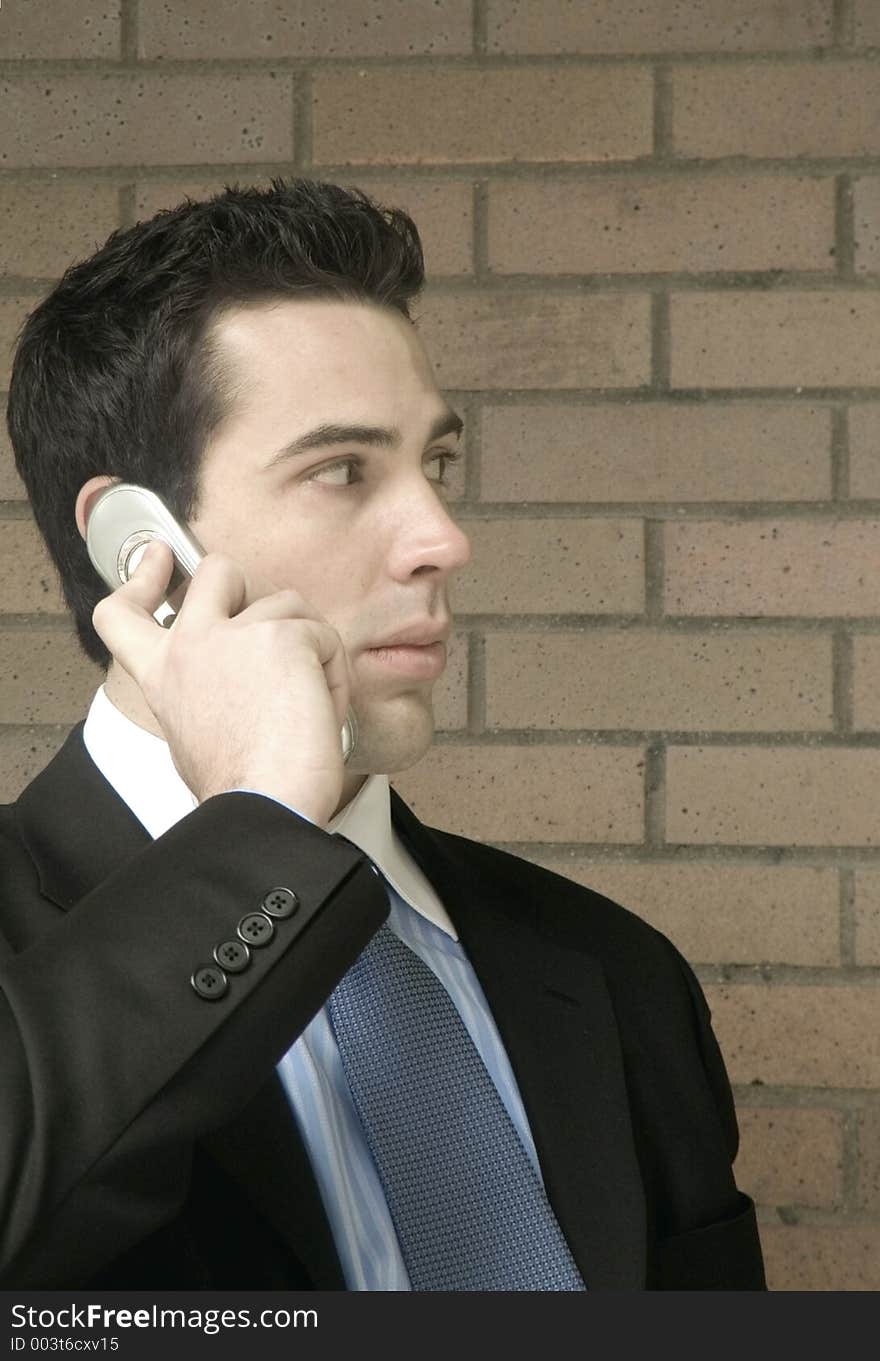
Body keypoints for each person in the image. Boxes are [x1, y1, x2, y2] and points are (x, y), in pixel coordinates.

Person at [0, 180, 765, 1290]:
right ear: (138, 549)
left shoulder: (616, 974)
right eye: (343, 471)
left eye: (436, 464)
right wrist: (259, 819)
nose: (443, 538)